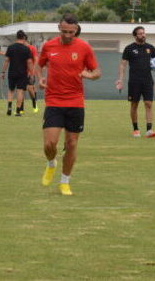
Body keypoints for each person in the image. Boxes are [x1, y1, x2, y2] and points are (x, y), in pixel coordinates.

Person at [37, 13, 100, 195]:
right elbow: (39, 65)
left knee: (71, 144)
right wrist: (40, 78)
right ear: (59, 28)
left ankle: (65, 181)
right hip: (54, 100)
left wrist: (89, 75)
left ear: (76, 30)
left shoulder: (84, 48)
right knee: (50, 144)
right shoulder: (48, 46)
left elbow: (96, 71)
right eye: (64, 31)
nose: (67, 35)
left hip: (75, 102)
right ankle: (51, 163)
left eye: (71, 32)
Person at [116, 26, 155, 138]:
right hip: (134, 81)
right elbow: (123, 65)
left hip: (148, 81)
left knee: (148, 104)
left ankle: (149, 130)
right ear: (135, 36)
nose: (143, 35)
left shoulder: (151, 48)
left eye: (144, 33)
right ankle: (135, 129)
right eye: (140, 33)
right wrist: (120, 79)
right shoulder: (129, 48)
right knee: (134, 105)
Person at [2, 30, 33, 116]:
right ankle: (18, 111)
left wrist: (3, 72)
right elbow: (29, 62)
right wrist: (31, 73)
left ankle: (9, 108)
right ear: (23, 38)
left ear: (17, 37)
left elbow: (6, 60)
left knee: (11, 90)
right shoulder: (26, 49)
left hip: (12, 72)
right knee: (20, 91)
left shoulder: (10, 47)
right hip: (22, 73)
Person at [25, 39, 40, 113]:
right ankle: (20, 109)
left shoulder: (32, 48)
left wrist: (32, 72)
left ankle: (34, 103)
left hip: (30, 72)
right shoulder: (21, 49)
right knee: (21, 90)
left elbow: (36, 60)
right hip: (22, 72)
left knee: (30, 88)